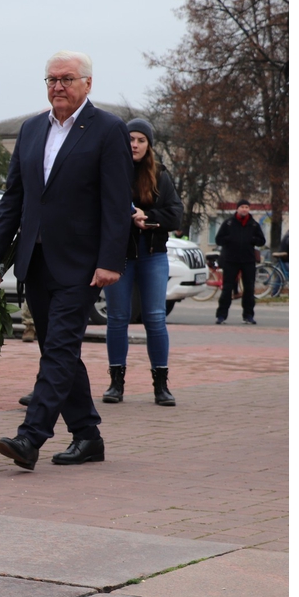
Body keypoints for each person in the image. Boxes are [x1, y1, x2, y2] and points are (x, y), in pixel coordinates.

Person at [0, 51, 133, 470]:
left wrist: (110, 260)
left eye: (66, 78)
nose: (58, 86)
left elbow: (117, 203)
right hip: (36, 261)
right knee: (57, 350)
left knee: (60, 348)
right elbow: (14, 198)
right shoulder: (31, 130)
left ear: (87, 83)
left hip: (82, 264)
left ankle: (31, 437)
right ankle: (88, 436)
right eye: (51, 79)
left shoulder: (107, 130)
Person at [101, 118, 183, 407]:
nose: (134, 144)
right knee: (117, 319)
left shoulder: (160, 174)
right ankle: (116, 383)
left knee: (155, 318)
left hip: (153, 256)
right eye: (130, 139)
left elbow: (175, 215)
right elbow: (100, 210)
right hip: (118, 257)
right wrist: (127, 216)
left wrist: (147, 218)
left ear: (148, 145)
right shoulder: (110, 170)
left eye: (140, 140)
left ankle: (161, 385)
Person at [214, 199, 266, 325]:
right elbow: (218, 239)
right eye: (242, 207)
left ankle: (248, 315)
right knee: (227, 288)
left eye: (247, 207)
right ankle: (221, 315)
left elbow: (262, 241)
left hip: (248, 260)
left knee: (249, 288)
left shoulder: (253, 224)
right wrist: (230, 239)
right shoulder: (229, 223)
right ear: (237, 208)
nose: (244, 209)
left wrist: (252, 239)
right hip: (231, 259)